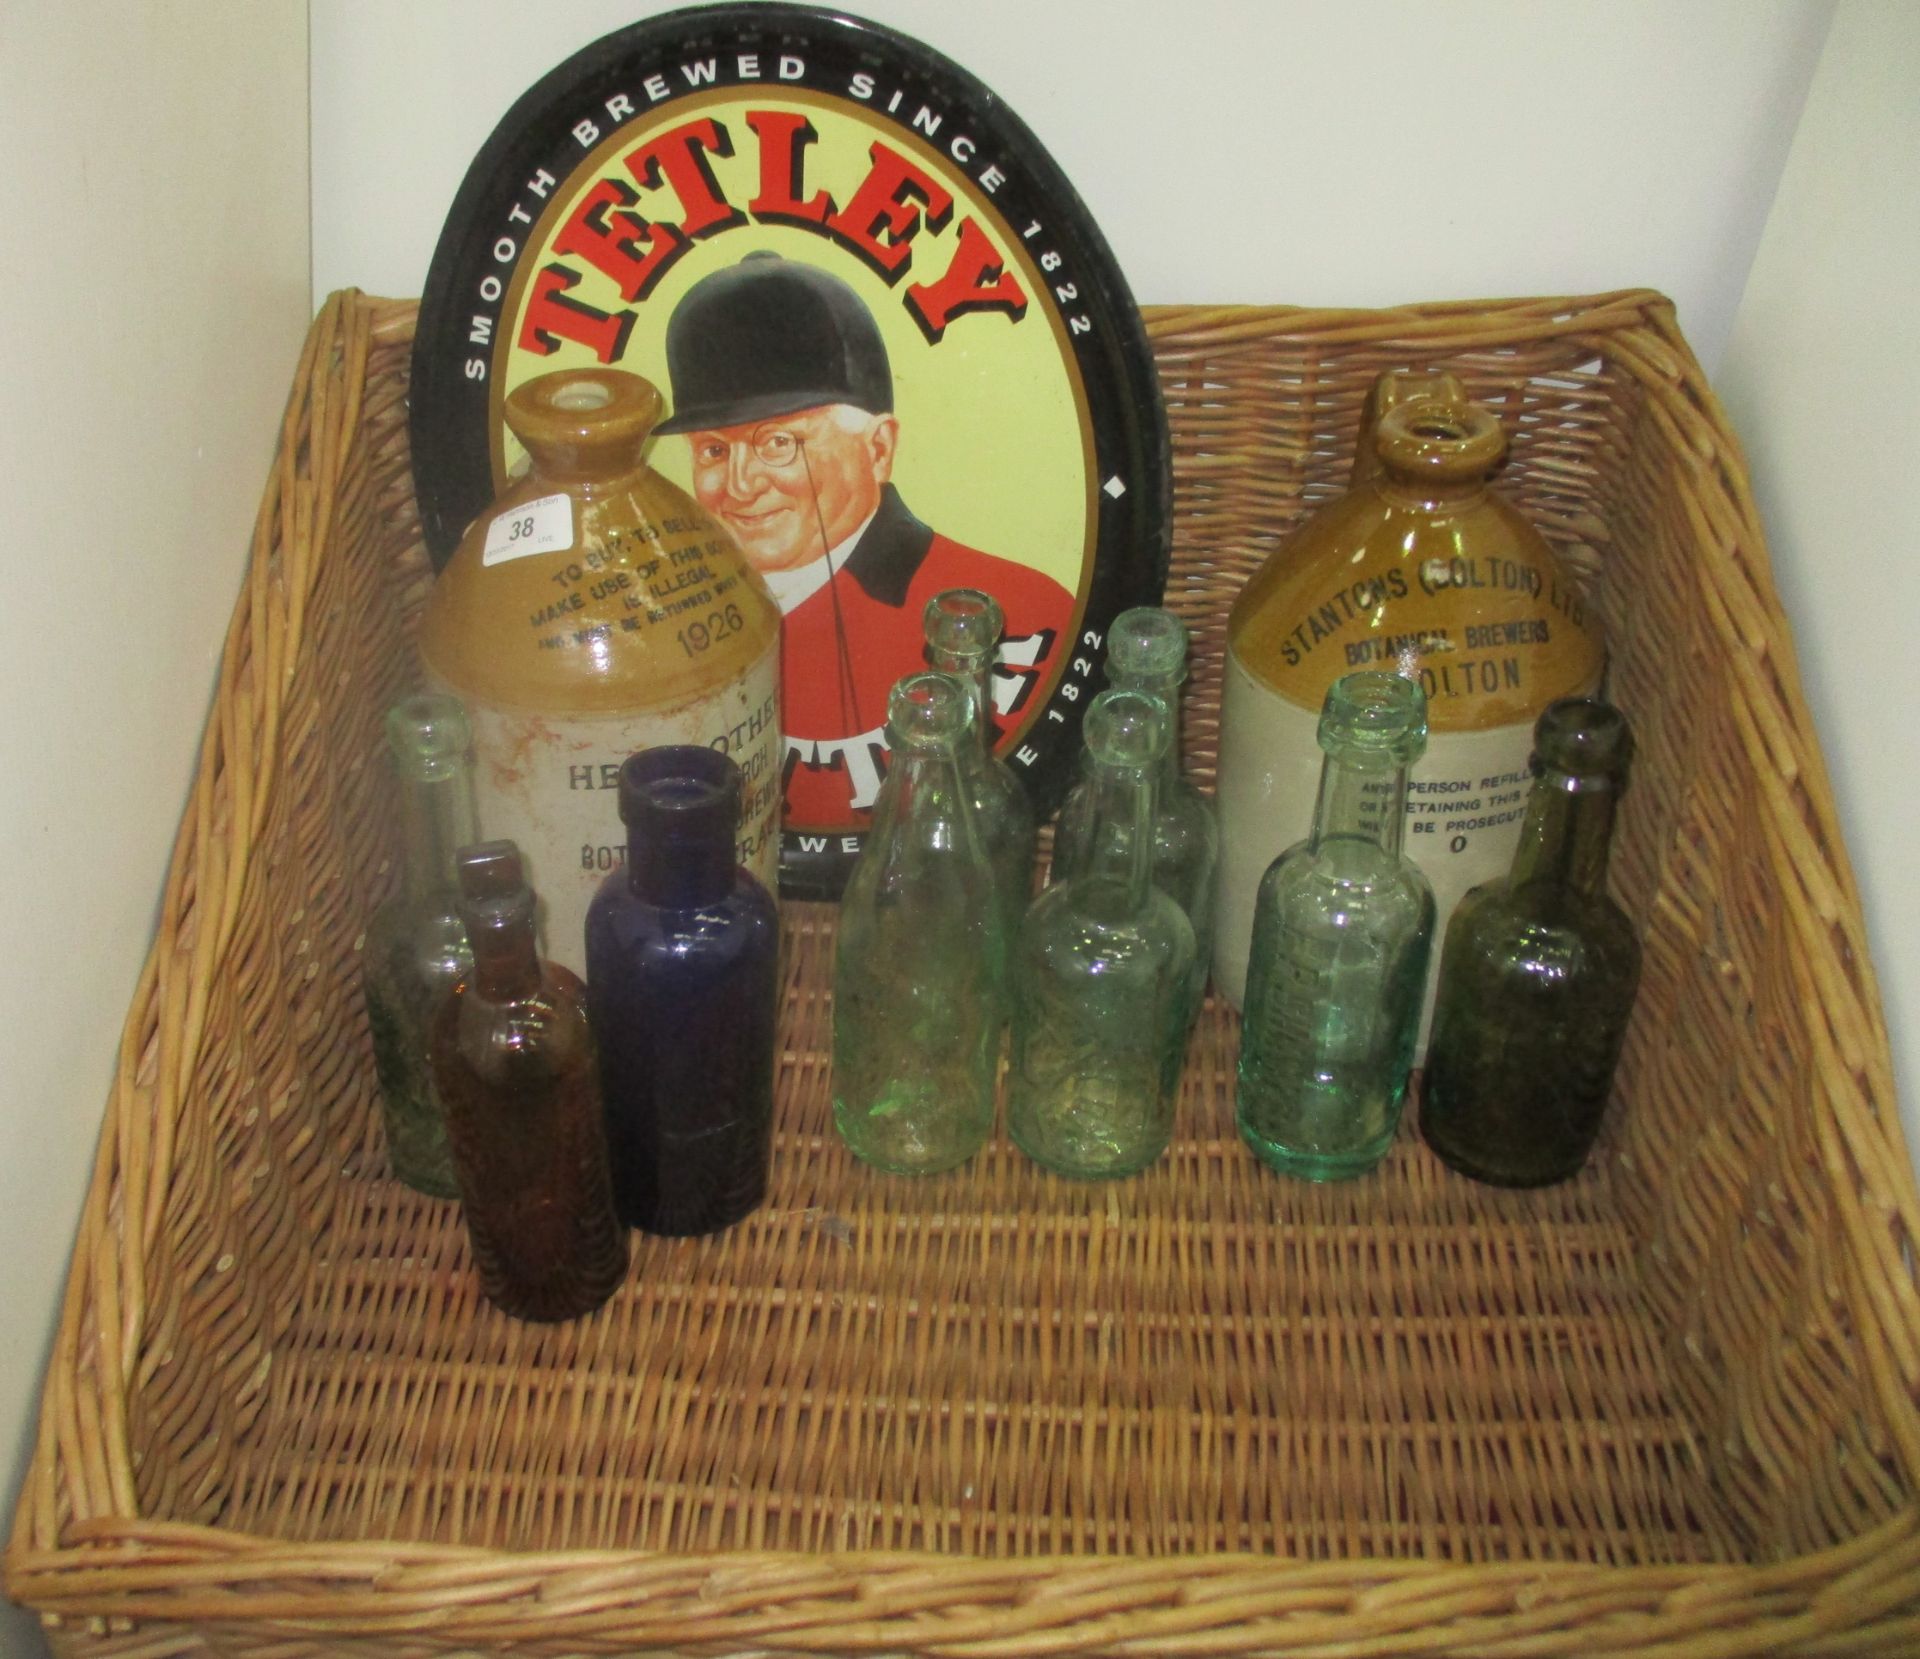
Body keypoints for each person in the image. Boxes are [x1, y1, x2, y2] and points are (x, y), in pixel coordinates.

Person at [655, 251, 1075, 829]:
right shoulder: (663, 628)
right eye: (713, 451)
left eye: (778, 443)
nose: (740, 485)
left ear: (877, 449)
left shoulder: (1023, 612)